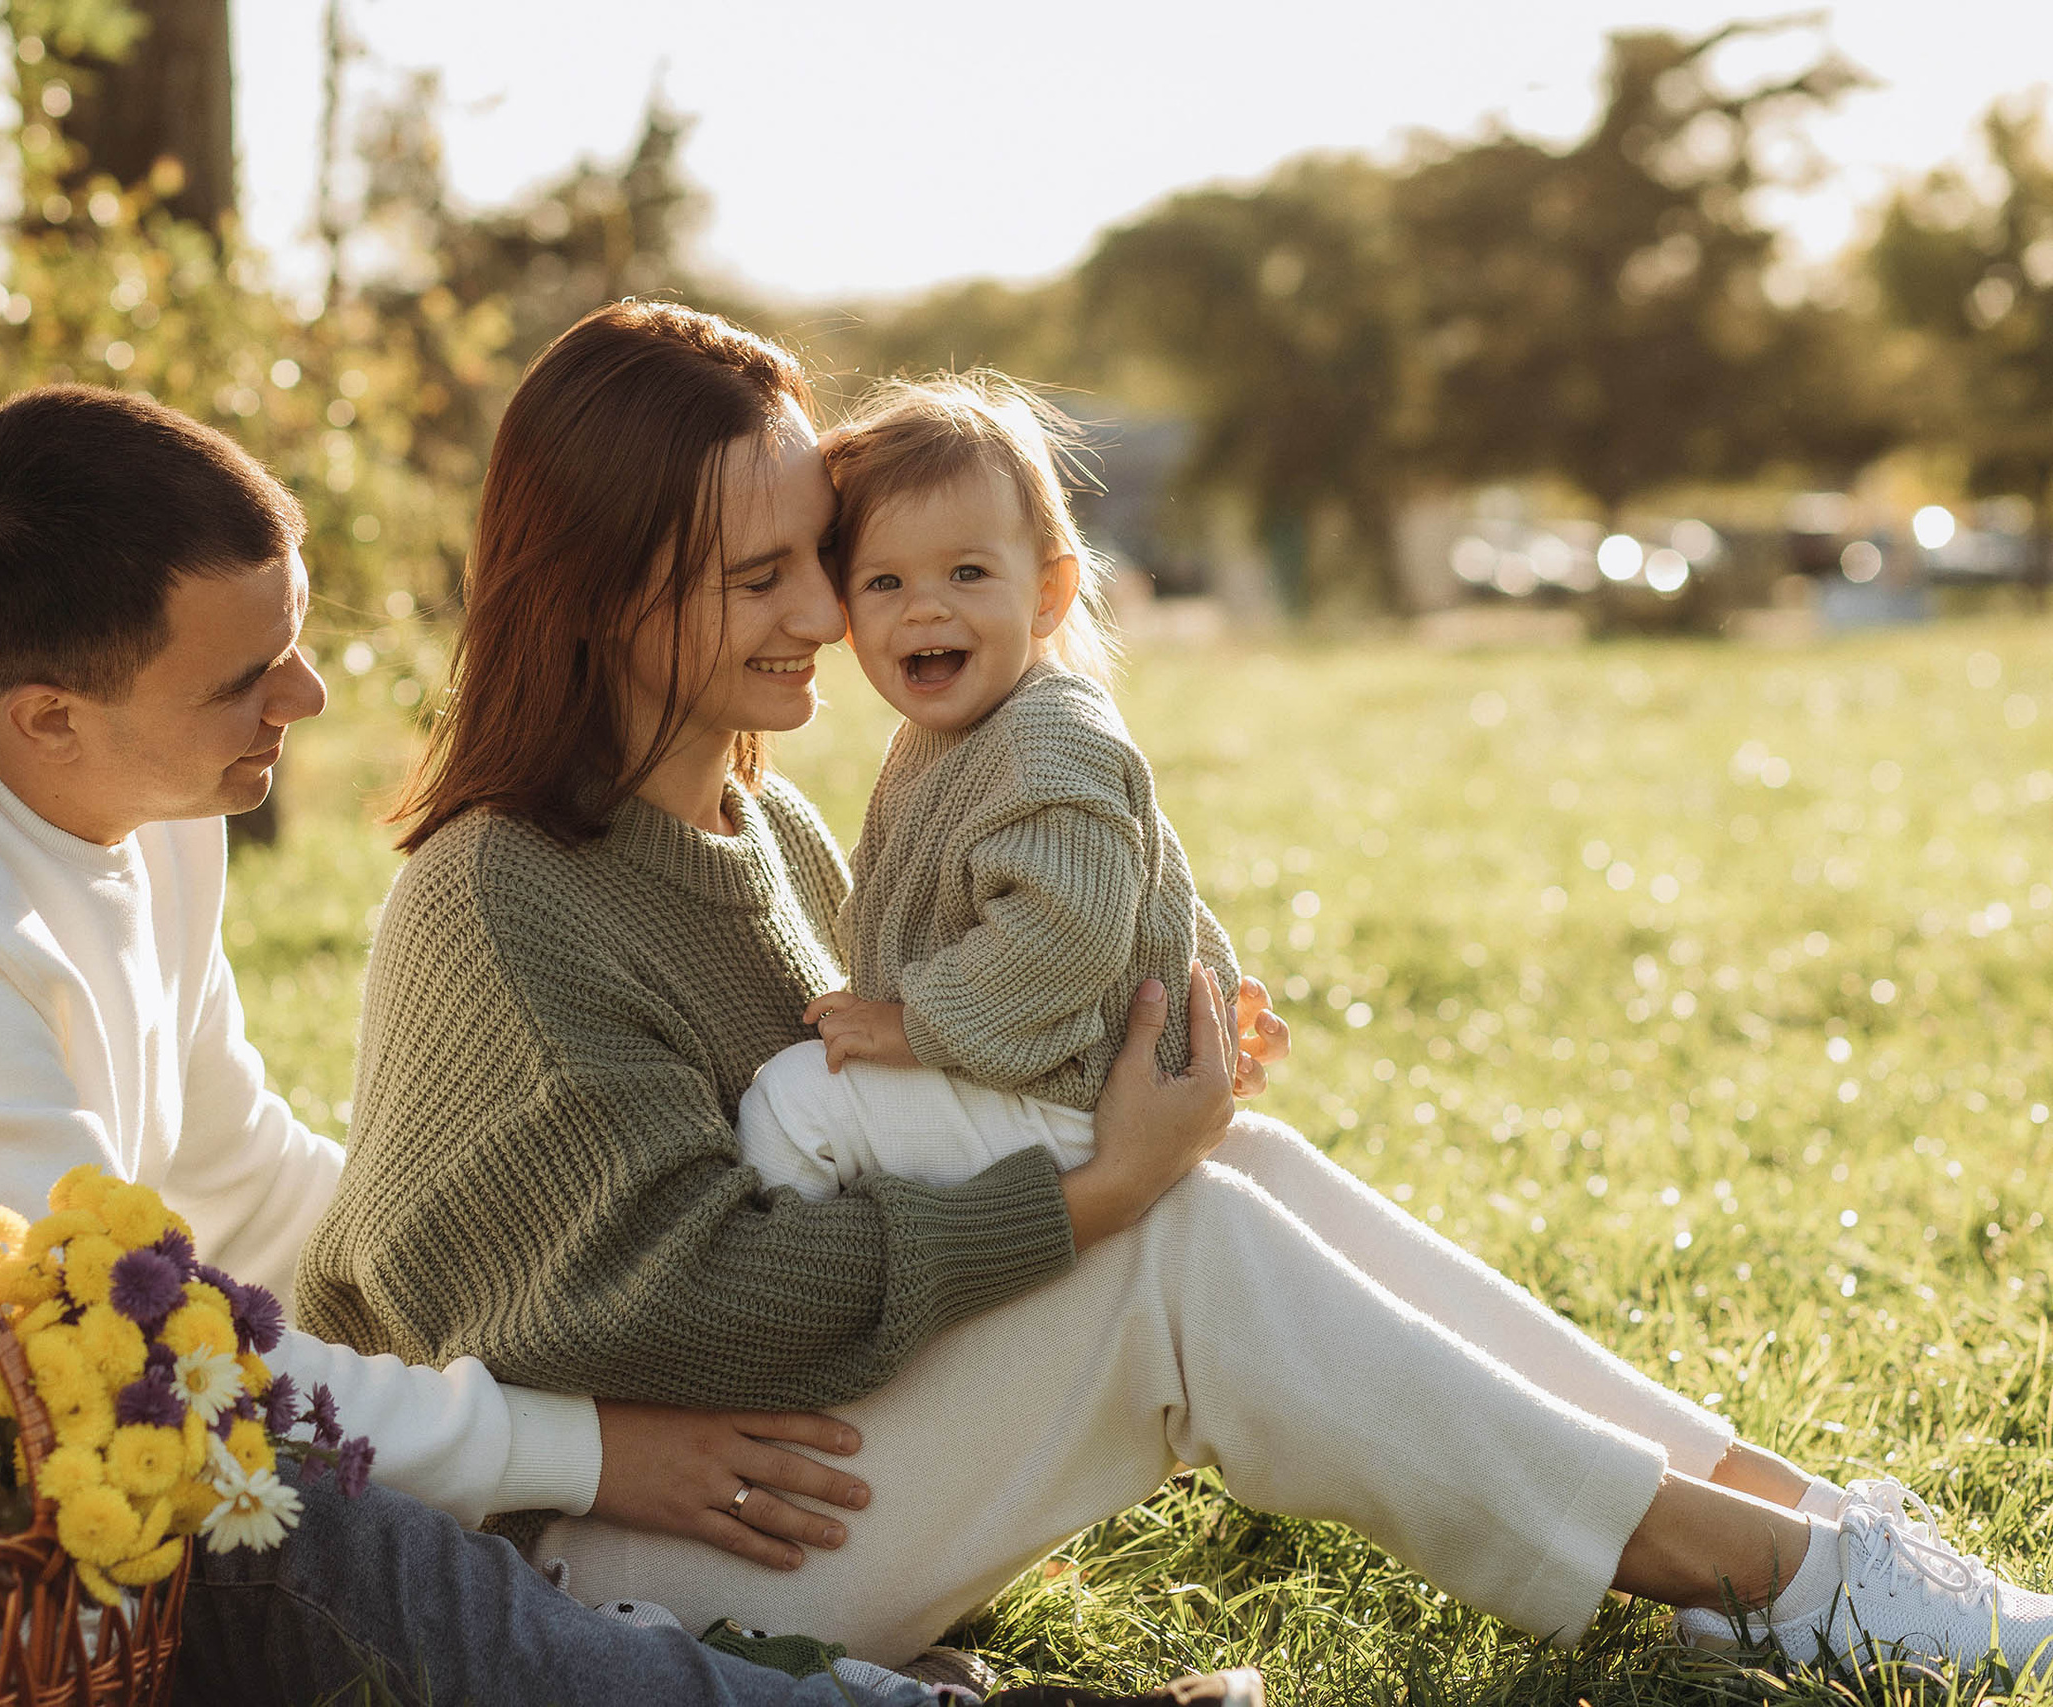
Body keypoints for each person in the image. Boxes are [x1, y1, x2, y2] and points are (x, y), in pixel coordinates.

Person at [293, 300, 2053, 1681]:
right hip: (607, 1588)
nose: (828, 614)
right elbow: (643, 1310)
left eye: (812, 556)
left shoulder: (768, 831)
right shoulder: (499, 893)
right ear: (603, 598)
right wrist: (1098, 1184)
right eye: (761, 576)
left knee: (1239, 1181)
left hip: (783, 1467)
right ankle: (1766, 1578)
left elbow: (893, 1117)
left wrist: (1148, 1035)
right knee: (1176, 1241)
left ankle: (1794, 1526)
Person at [0, 383, 1101, 1707]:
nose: (313, 689)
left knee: (361, 1490)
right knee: (323, 1523)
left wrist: (469, 1316)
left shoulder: (134, 797)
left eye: (292, 633)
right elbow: (155, 1357)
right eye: (247, 675)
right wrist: (583, 1444)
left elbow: (237, 1177)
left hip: (62, 1454)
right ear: (48, 717)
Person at [734, 372, 1245, 1204]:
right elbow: (1145, 880)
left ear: (1047, 592)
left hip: (1068, 1092)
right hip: (1031, 1065)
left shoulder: (1049, 736)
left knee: (793, 1107)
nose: (925, 610)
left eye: (967, 573)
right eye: (884, 583)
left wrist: (913, 1024)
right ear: (845, 608)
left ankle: (784, 1311)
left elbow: (1070, 929)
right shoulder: (954, 735)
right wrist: (1218, 982)